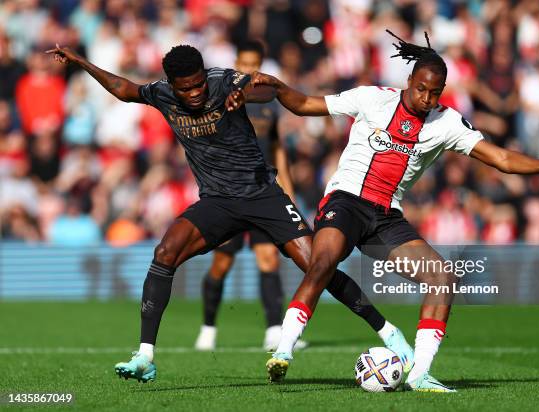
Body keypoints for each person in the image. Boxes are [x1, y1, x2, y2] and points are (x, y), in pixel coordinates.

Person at [46, 43, 414, 383]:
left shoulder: (224, 82)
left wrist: (247, 94)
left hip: (263, 196)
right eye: (185, 88)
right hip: (217, 202)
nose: (193, 93)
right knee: (164, 254)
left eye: (197, 85)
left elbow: (265, 86)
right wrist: (80, 62)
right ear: (172, 85)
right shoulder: (160, 93)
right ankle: (145, 355)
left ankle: (389, 333)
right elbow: (124, 89)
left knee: (319, 265)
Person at [251, 31, 539, 391]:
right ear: (409, 81)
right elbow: (305, 105)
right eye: (421, 88)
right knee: (323, 261)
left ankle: (420, 374)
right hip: (346, 201)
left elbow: (500, 158)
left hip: (386, 218)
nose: (426, 98)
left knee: (443, 279)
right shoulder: (372, 98)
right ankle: (283, 351)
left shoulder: (448, 123)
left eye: (434, 92)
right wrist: (277, 86)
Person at [194, 40, 306, 352]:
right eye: (243, 63)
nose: (247, 70)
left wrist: (289, 190)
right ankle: (208, 328)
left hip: (263, 192)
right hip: (229, 193)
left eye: (253, 64)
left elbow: (277, 148)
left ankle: (273, 330)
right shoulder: (218, 97)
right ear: (235, 62)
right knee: (221, 263)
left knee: (268, 260)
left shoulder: (268, 102)